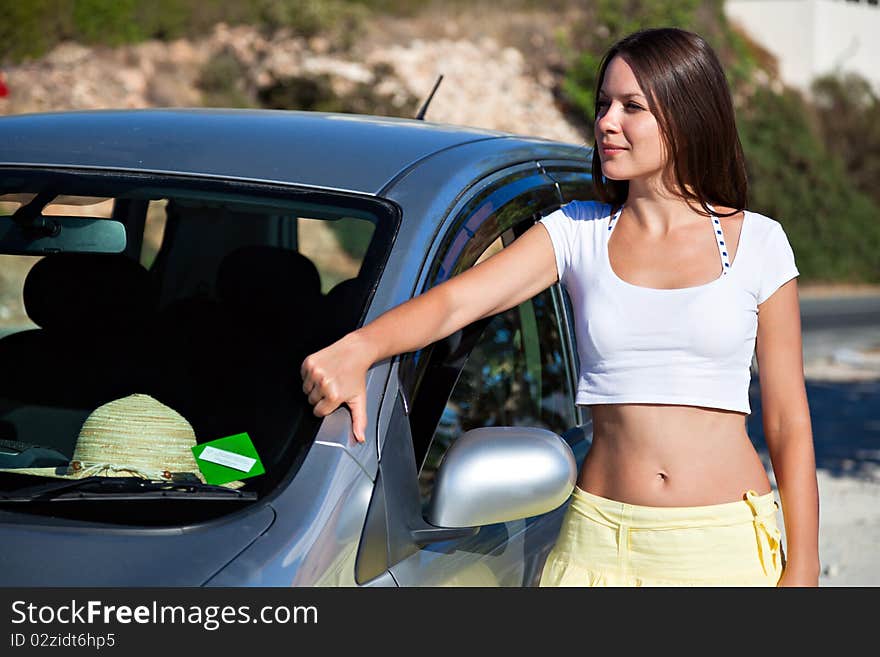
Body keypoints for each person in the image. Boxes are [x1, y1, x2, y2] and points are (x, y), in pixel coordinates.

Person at [299, 27, 820, 587]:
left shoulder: (761, 243)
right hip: (599, 545)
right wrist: (359, 347)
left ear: (687, 116)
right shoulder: (576, 233)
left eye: (631, 107)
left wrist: (805, 565)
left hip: (723, 547)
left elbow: (788, 420)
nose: (606, 123)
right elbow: (456, 302)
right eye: (603, 105)